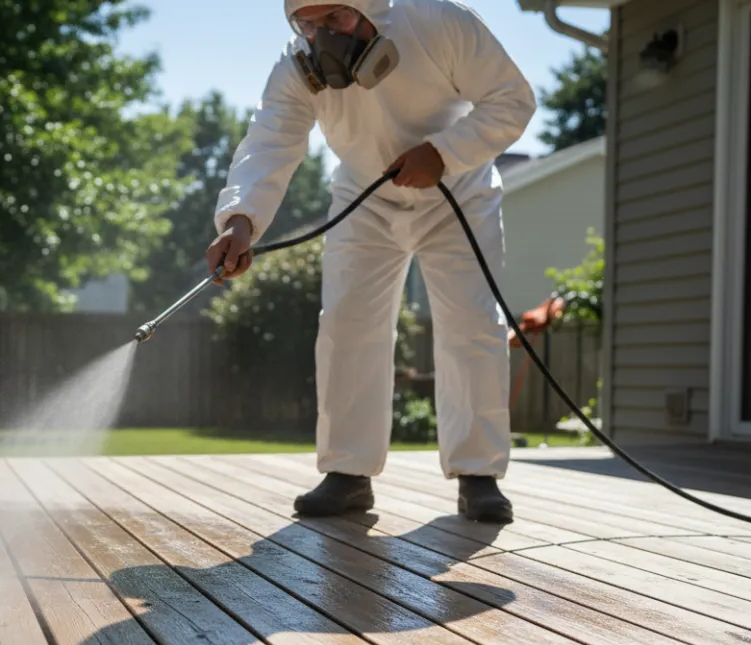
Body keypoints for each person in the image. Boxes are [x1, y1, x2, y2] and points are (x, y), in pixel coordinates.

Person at [206, 0, 536, 522]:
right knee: (347, 324)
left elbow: (512, 100)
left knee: (472, 324)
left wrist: (445, 153)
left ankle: (479, 475)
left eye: (333, 20)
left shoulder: (441, 22)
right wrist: (240, 222)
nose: (320, 39)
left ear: (371, 9)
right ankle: (348, 474)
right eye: (307, 25)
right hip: (366, 193)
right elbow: (270, 141)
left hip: (461, 192)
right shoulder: (297, 69)